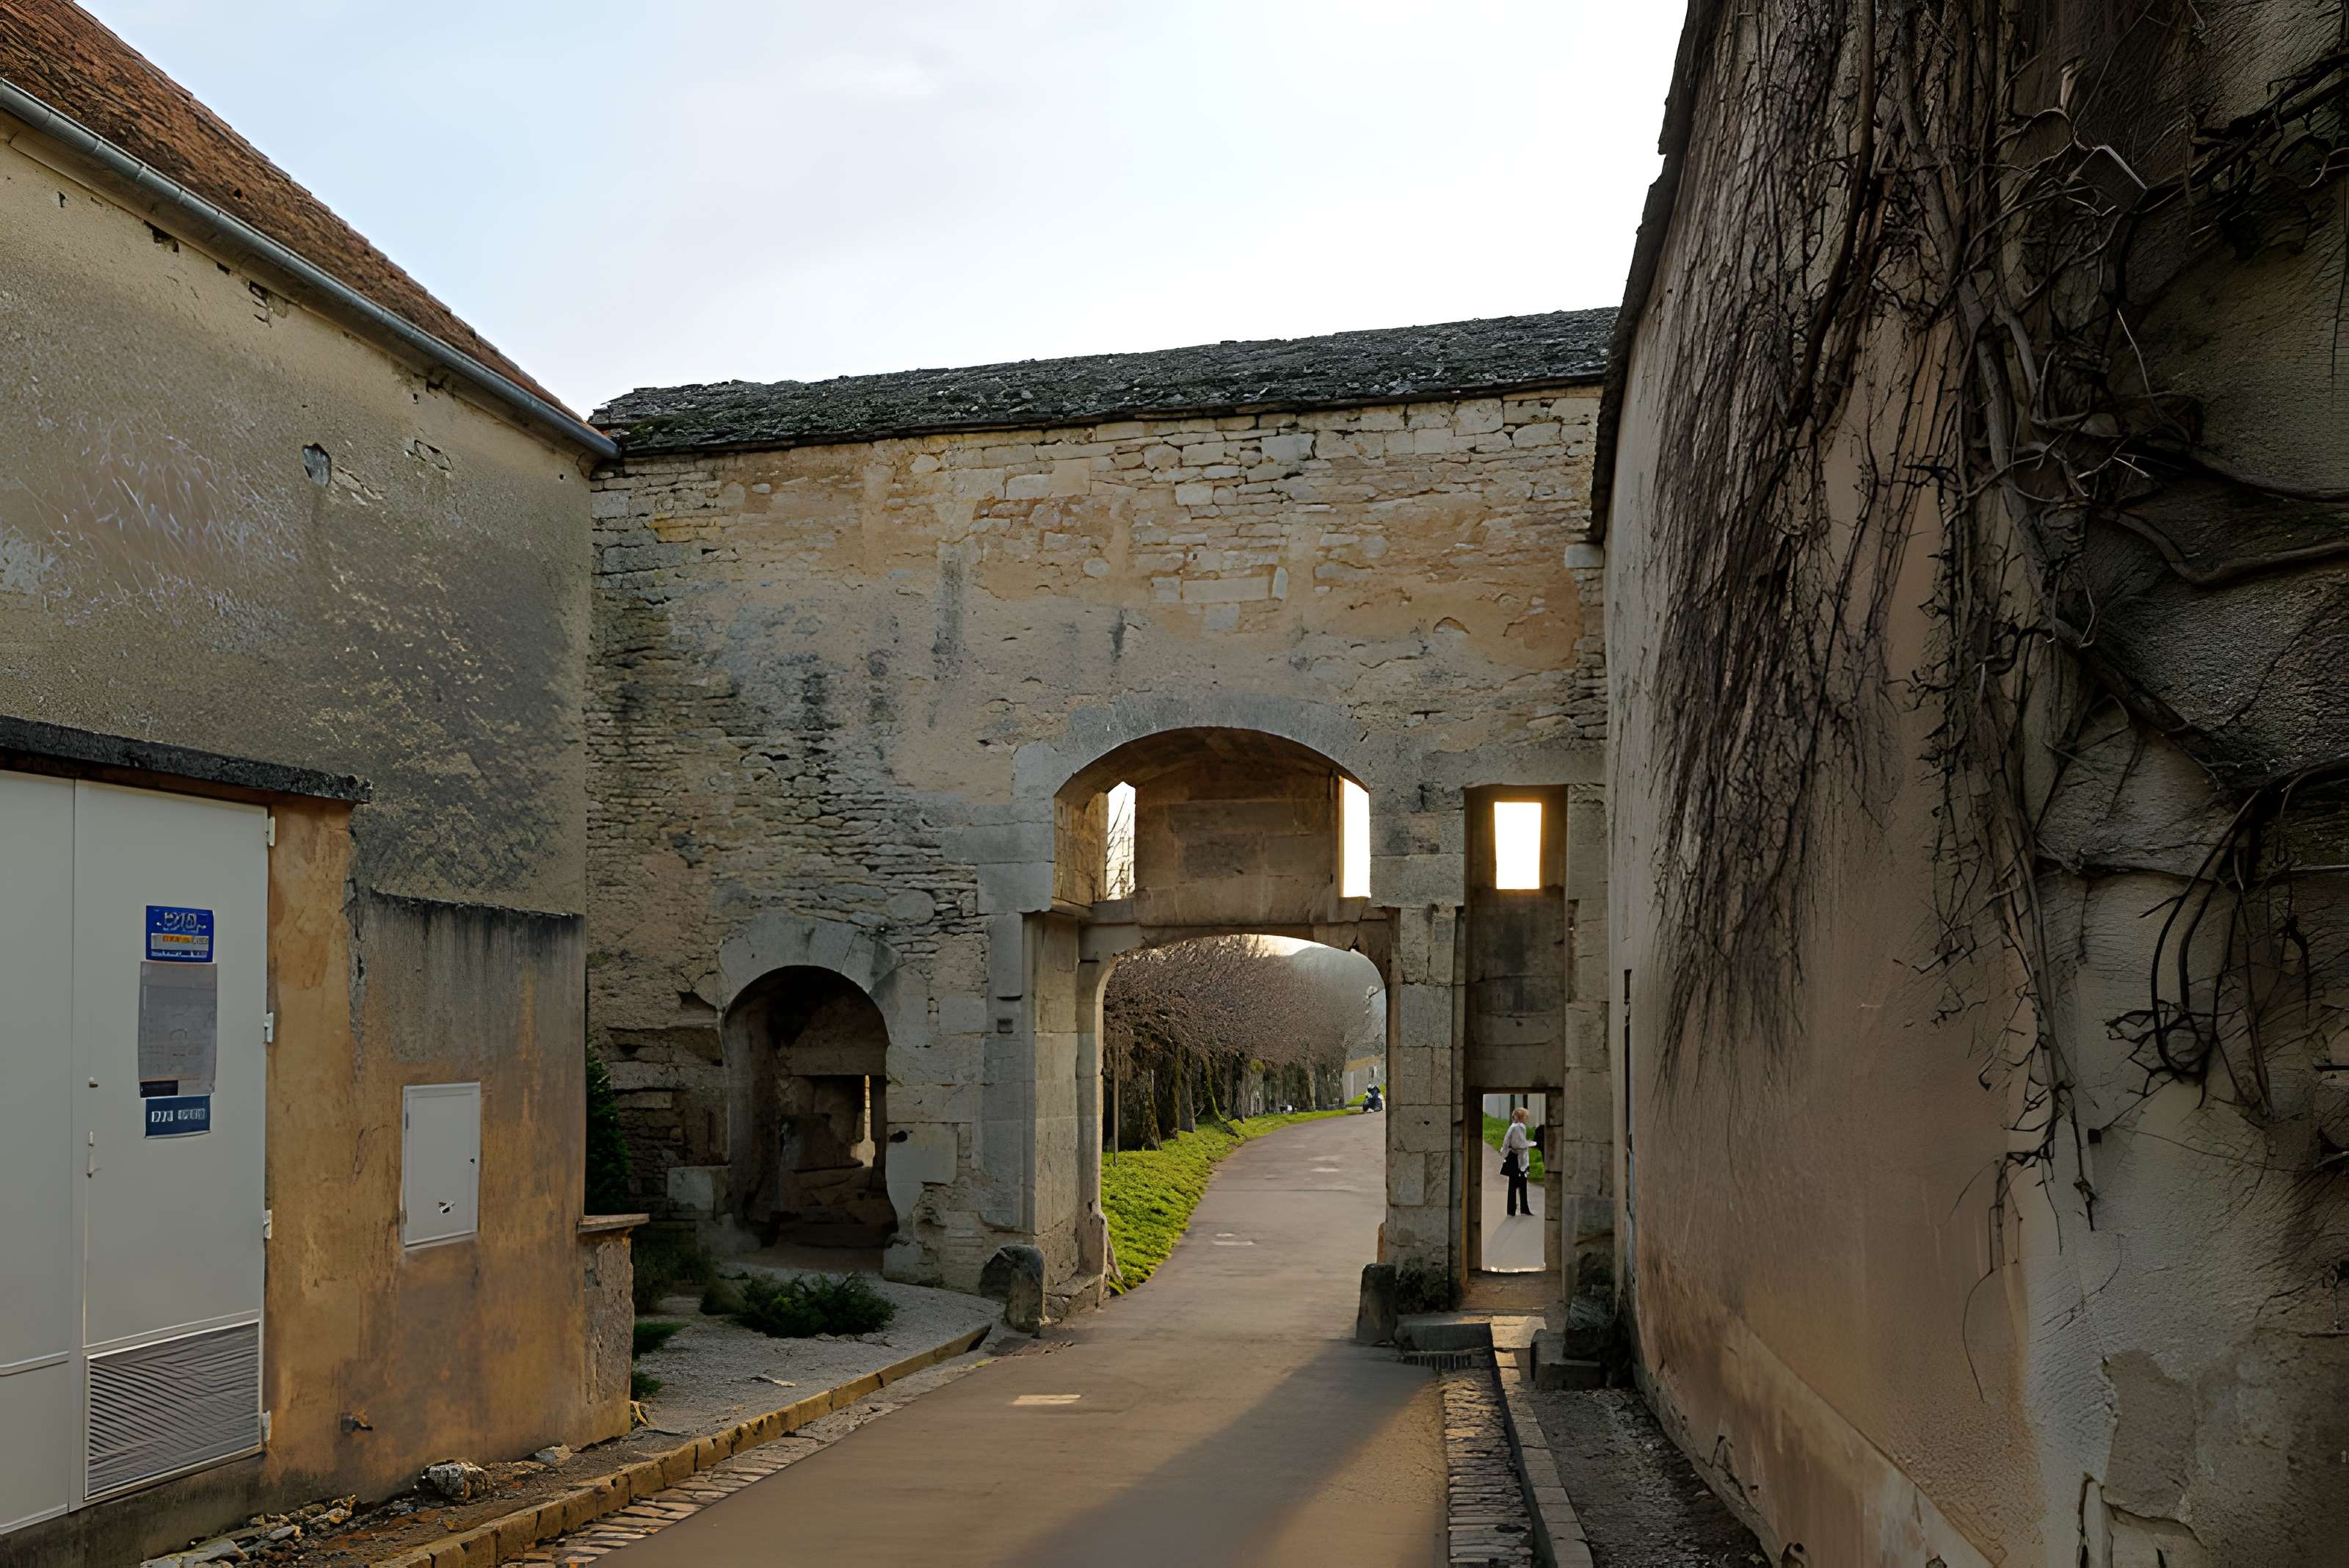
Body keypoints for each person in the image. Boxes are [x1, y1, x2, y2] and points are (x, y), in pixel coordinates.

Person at [1501, 1107, 1533, 1217]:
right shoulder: (1518, 1127)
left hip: (1515, 1157)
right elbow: (1520, 1144)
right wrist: (1533, 1144)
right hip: (1518, 1159)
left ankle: (1512, 1210)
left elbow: (1508, 1142)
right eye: (1525, 1116)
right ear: (1521, 1117)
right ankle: (1523, 1209)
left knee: (1513, 1184)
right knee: (1520, 1183)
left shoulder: (1514, 1127)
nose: (1527, 1118)